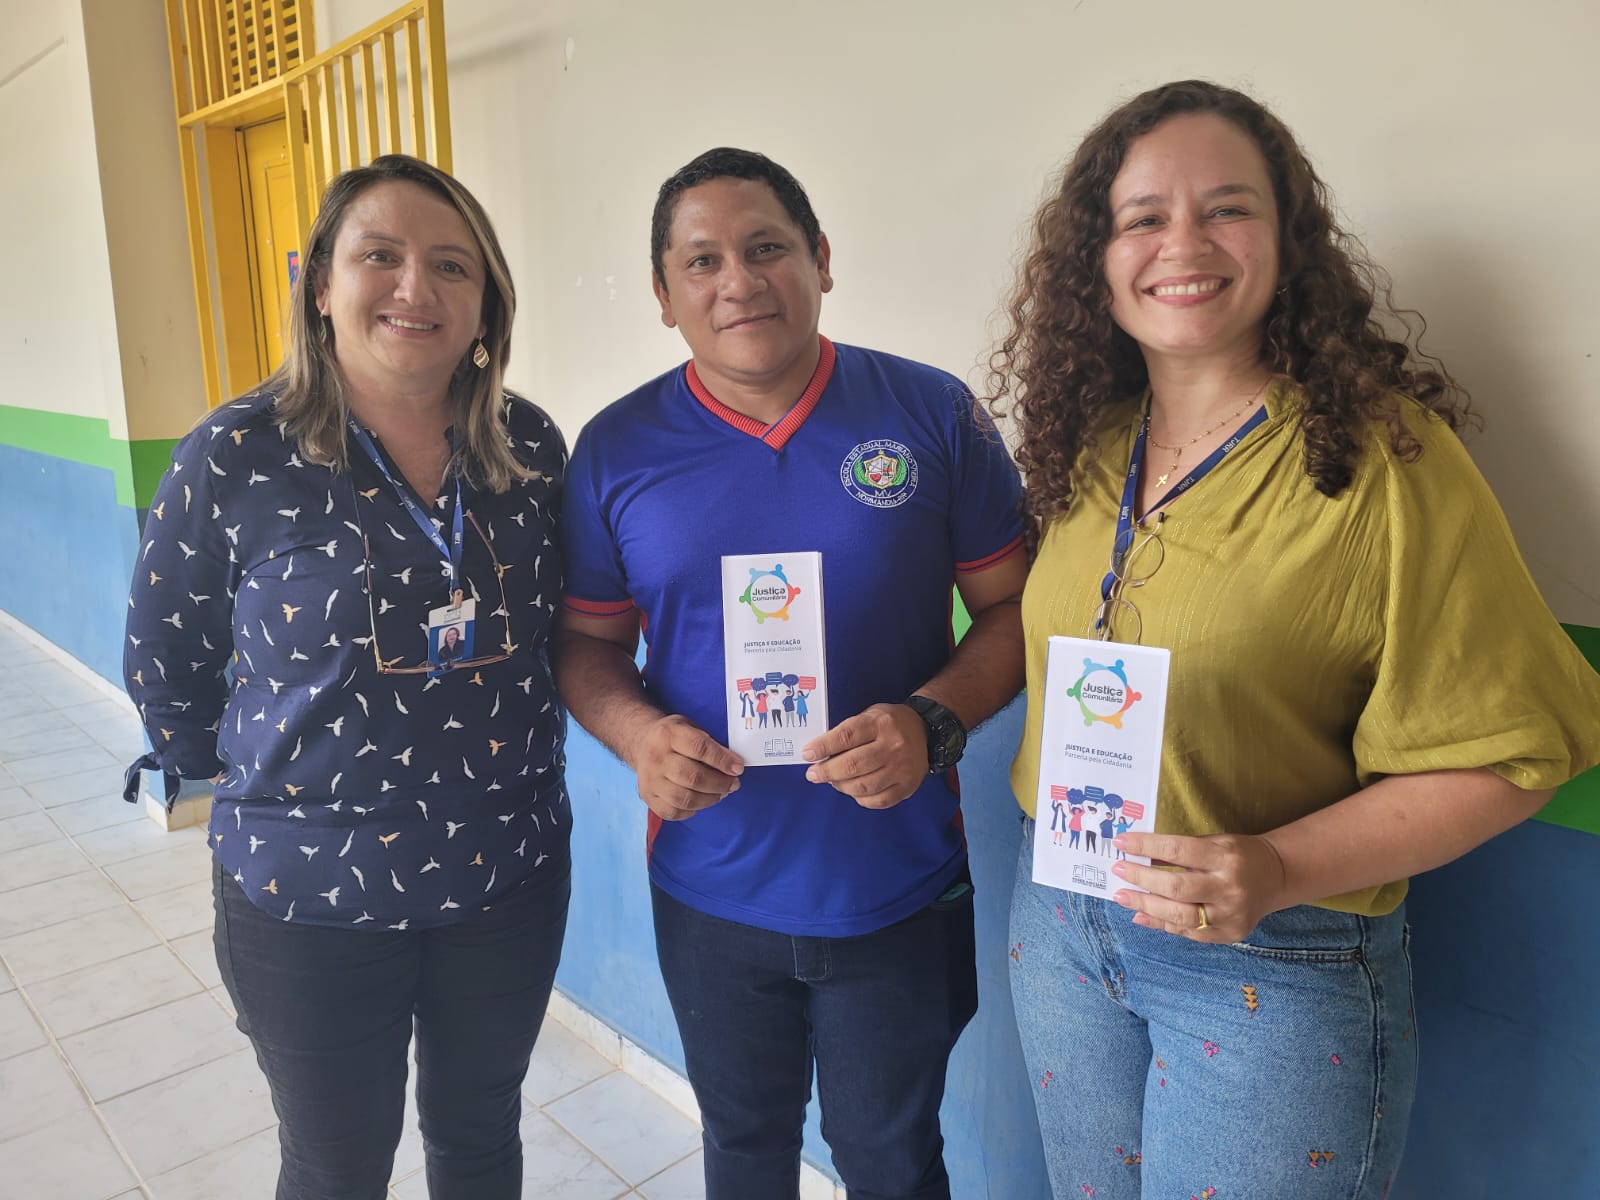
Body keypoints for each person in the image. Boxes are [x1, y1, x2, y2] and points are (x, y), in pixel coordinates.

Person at [987, 79, 1600, 1199]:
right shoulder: (1089, 447)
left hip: (1267, 961)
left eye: (1226, 208)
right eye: (1142, 217)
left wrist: (1275, 868)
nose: (1183, 242)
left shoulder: (1382, 462)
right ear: (1098, 259)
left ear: (1285, 242)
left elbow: (1521, 750)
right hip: (1065, 924)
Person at [555, 147, 1027, 1200]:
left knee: (892, 1160)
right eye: (702, 261)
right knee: (745, 1151)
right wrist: (638, 737)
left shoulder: (931, 415)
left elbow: (1015, 612)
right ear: (664, 297)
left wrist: (930, 724)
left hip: (896, 882)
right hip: (710, 885)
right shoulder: (615, 451)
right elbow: (585, 647)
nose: (738, 280)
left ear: (819, 258)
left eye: (767, 247)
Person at [122, 154, 571, 1200]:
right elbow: (165, 650)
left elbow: (572, 628)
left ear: (485, 304)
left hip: (502, 875)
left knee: (480, 1143)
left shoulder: (529, 448)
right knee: (334, 1168)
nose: (416, 289)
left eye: (451, 266)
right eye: (381, 257)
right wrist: (246, 782)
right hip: (303, 895)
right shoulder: (236, 452)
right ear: (322, 286)